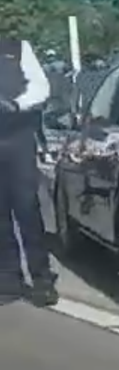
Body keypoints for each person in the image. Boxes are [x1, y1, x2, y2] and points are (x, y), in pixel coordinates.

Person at [0, 37, 56, 306]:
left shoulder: (17, 47)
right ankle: (9, 281)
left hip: (18, 137)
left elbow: (41, 86)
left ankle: (42, 279)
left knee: (27, 210)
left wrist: (17, 104)